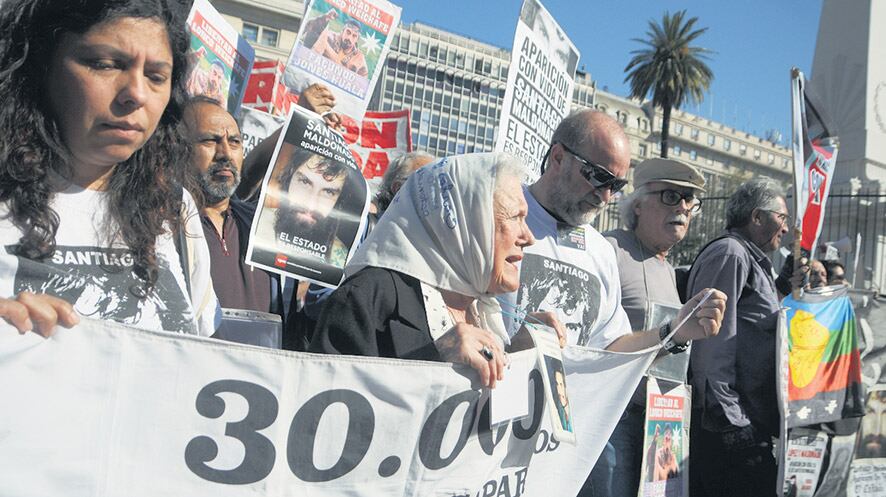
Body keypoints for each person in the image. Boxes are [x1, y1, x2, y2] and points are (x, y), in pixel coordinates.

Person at [494, 110, 725, 497]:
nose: (605, 196)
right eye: (599, 177)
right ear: (557, 158)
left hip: (572, 451)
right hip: (498, 439)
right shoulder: (502, 215)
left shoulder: (599, 251)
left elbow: (612, 348)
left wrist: (673, 331)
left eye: (615, 185)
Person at [0, 0, 217, 337]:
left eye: (156, 76)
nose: (136, 94)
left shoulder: (174, 207)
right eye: (105, 65)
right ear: (41, 65)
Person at [309, 153, 565, 387]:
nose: (528, 237)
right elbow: (327, 409)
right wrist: (434, 357)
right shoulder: (367, 296)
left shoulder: (483, 308)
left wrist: (518, 352)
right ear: (470, 220)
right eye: (515, 217)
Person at [590, 158, 705, 497]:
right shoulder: (609, 249)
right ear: (638, 204)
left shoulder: (668, 269)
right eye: (671, 196)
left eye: (690, 200)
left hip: (662, 422)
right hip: (616, 420)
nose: (683, 207)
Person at [687, 178, 792, 497]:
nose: (785, 229)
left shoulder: (752, 260)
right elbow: (711, 344)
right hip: (729, 428)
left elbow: (751, 322)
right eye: (782, 217)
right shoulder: (731, 255)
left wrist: (784, 286)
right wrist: (731, 421)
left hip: (747, 421)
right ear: (757, 217)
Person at [287, 150, 436, 350]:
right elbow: (318, 299)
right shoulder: (358, 228)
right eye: (428, 183)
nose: (437, 195)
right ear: (399, 188)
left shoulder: (430, 246)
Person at [181, 96, 282, 316]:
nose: (225, 153)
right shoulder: (163, 226)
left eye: (234, 142)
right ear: (178, 149)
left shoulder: (261, 225)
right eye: (210, 140)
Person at [266, 150, 356, 267]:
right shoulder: (251, 227)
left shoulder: (342, 261)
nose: (311, 205)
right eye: (304, 182)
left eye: (328, 192)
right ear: (289, 179)